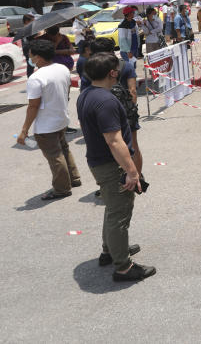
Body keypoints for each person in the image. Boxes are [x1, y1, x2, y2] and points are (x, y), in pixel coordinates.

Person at [77, 52, 154, 281]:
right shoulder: (106, 100)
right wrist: (132, 172)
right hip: (111, 165)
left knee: (112, 209)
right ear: (112, 73)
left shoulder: (86, 94)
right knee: (119, 213)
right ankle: (123, 267)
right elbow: (114, 141)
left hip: (99, 162)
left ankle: (111, 250)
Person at [16, 39, 81, 200]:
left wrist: (24, 130)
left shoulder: (36, 78)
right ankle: (74, 178)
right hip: (61, 117)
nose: (29, 58)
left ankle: (61, 188)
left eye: (30, 55)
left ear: (38, 57)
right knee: (64, 149)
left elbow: (33, 106)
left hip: (46, 124)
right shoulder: (62, 69)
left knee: (55, 156)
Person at [90, 38, 142, 174]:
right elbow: (133, 92)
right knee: (133, 146)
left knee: (112, 146)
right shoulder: (126, 66)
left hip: (104, 113)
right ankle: (138, 177)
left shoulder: (93, 70)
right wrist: (129, 109)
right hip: (127, 112)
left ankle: (119, 178)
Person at [21, 13, 36, 77]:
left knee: (31, 66)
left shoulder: (27, 29)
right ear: (27, 21)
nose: (33, 23)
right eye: (32, 21)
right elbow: (27, 42)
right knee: (30, 66)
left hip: (29, 50)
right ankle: (30, 78)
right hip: (29, 51)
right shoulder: (26, 30)